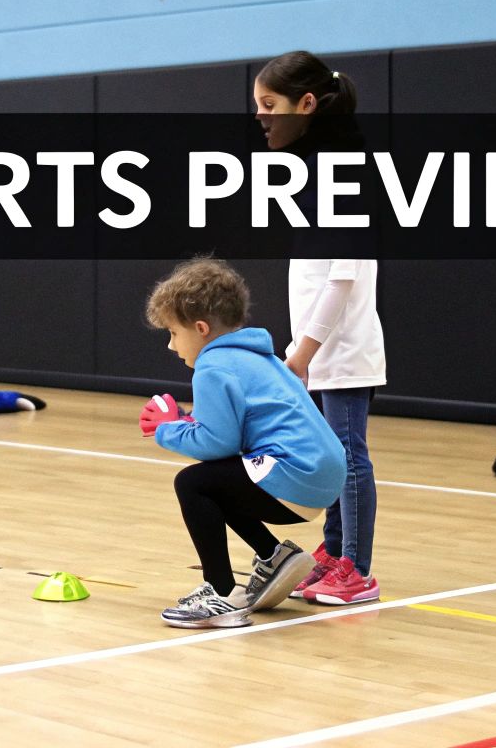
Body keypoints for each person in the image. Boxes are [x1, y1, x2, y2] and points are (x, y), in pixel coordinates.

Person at [141, 257, 345, 628]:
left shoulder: (213, 365)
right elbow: (229, 436)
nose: (171, 346)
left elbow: (217, 443)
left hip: (294, 473)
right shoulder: (255, 356)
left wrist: (166, 429)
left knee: (194, 482)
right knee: (223, 481)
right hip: (322, 474)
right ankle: (273, 556)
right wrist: (186, 420)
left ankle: (221, 593)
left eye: (173, 333)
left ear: (200, 328)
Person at [252, 51, 388, 606]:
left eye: (269, 106)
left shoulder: (344, 174)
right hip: (318, 350)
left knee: (349, 457)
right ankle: (334, 551)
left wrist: (302, 353)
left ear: (306, 105)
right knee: (332, 456)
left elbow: (341, 279)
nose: (261, 117)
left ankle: (357, 568)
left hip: (343, 351)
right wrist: (300, 348)